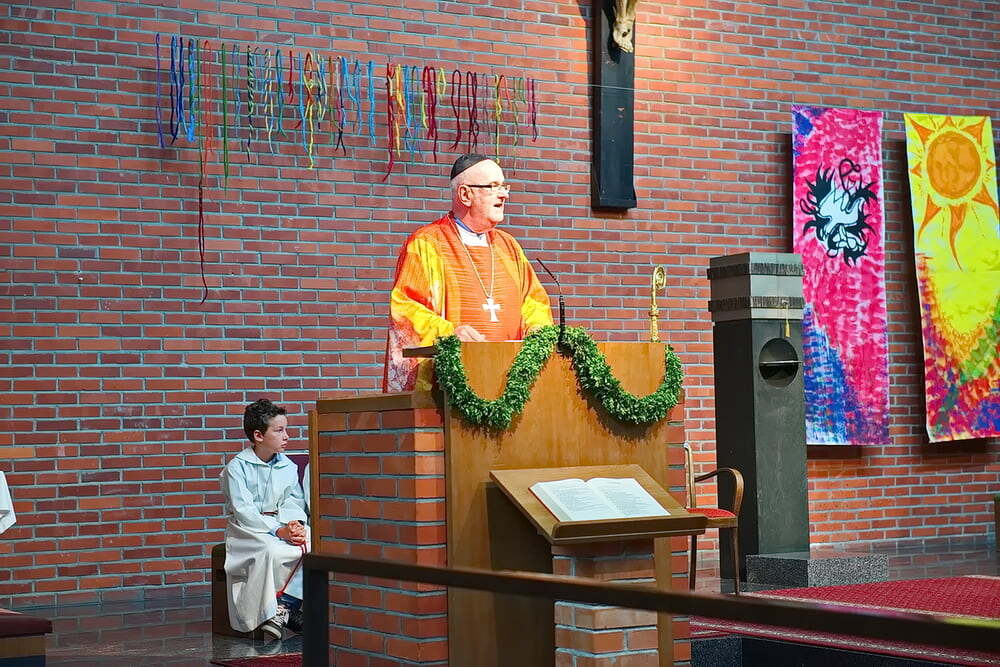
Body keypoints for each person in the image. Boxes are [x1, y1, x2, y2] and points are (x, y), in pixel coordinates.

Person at [383, 153, 554, 392]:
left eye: (504, 186)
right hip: (453, 387)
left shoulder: (509, 246)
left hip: (510, 379)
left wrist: (537, 330)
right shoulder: (428, 244)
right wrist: (449, 334)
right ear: (465, 194)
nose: (504, 195)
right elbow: (406, 308)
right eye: (493, 186)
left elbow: (533, 301)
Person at [222, 398, 309, 640]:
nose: (287, 436)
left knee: (313, 545)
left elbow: (293, 500)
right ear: (258, 435)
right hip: (247, 530)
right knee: (272, 550)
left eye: (286, 429)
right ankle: (272, 612)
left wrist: (294, 524)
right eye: (279, 430)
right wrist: (279, 531)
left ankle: (284, 607)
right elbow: (244, 511)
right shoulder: (236, 468)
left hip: (282, 524)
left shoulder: (287, 466)